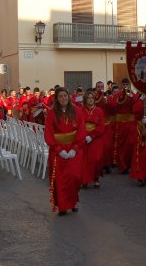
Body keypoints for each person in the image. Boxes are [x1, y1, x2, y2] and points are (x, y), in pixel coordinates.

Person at [44, 87, 86, 215]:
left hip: (74, 149)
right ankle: (62, 206)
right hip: (58, 151)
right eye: (60, 96)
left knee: (74, 177)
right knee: (59, 179)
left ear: (69, 97)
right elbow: (49, 135)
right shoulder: (51, 113)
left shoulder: (77, 111)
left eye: (65, 96)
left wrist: (75, 148)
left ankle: (72, 202)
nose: (63, 98)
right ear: (57, 98)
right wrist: (58, 149)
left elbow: (81, 131)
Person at [109, 77, 137, 174]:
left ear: (129, 85)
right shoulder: (117, 95)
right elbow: (113, 106)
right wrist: (121, 98)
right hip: (120, 123)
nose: (125, 86)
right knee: (121, 144)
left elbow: (136, 106)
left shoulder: (133, 95)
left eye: (127, 85)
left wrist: (131, 96)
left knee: (131, 144)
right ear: (121, 85)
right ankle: (123, 166)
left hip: (130, 123)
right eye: (124, 85)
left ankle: (130, 164)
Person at [81, 91, 105, 188]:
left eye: (92, 97)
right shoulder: (81, 110)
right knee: (84, 160)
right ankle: (85, 180)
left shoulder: (99, 111)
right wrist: (85, 135)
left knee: (96, 159)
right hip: (84, 138)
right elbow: (79, 125)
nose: (90, 99)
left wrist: (92, 136)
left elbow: (101, 127)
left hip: (96, 138)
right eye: (88, 98)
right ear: (85, 100)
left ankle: (96, 178)